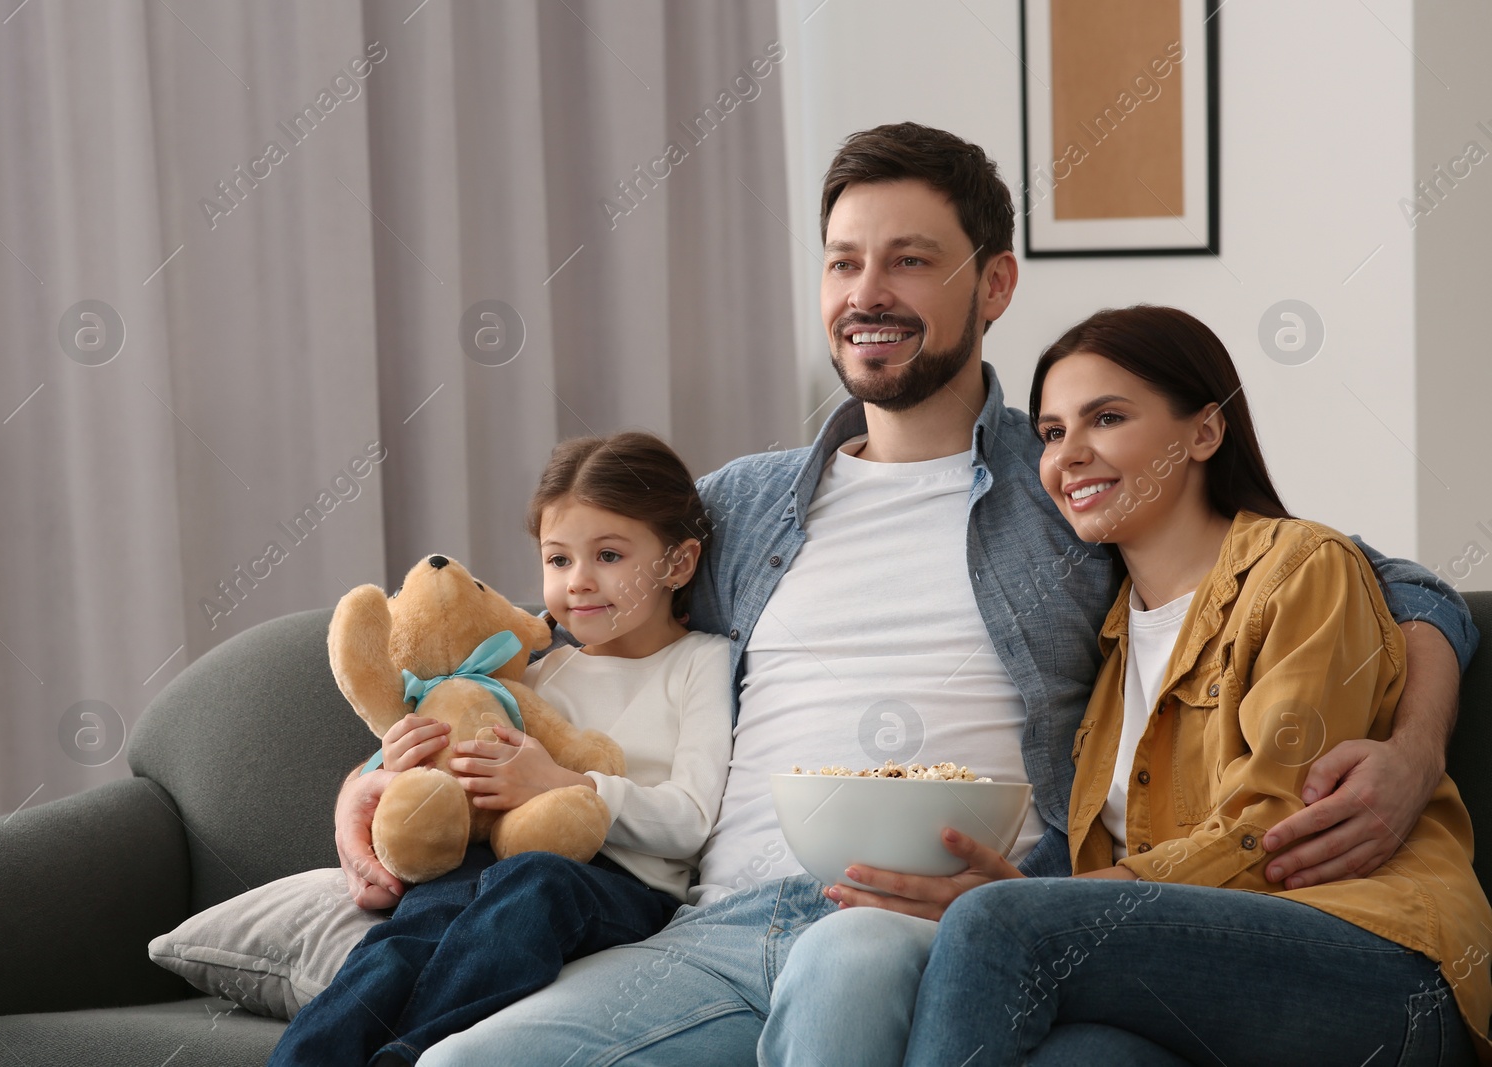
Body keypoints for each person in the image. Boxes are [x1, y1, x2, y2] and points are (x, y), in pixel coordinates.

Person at [334, 124, 1479, 1065]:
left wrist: (1416, 740)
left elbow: (1390, 579)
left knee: (849, 964)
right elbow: (528, 640)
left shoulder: (1070, 486)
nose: (866, 292)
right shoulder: (737, 506)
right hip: (714, 924)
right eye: (843, 261)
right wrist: (384, 764)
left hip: (937, 924)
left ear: (993, 284)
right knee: (465, 1061)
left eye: (909, 260)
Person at [775, 308, 1492, 1065]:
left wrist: (1031, 906)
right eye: (1050, 433)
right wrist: (1027, 884)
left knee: (994, 925)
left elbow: (1269, 830)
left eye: (1106, 418)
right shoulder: (1113, 642)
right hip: (1202, 980)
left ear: (1205, 433)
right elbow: (1134, 873)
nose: (1067, 455)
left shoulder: (1301, 569)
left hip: (1377, 963)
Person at [268, 430, 733, 1065]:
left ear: (677, 564)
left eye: (610, 556)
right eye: (559, 560)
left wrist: (559, 786)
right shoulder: (532, 674)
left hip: (625, 887)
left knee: (531, 885)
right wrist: (398, 766)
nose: (580, 583)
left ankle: (407, 1056)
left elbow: (692, 822)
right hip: (492, 860)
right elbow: (453, 755)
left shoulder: (700, 663)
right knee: (409, 933)